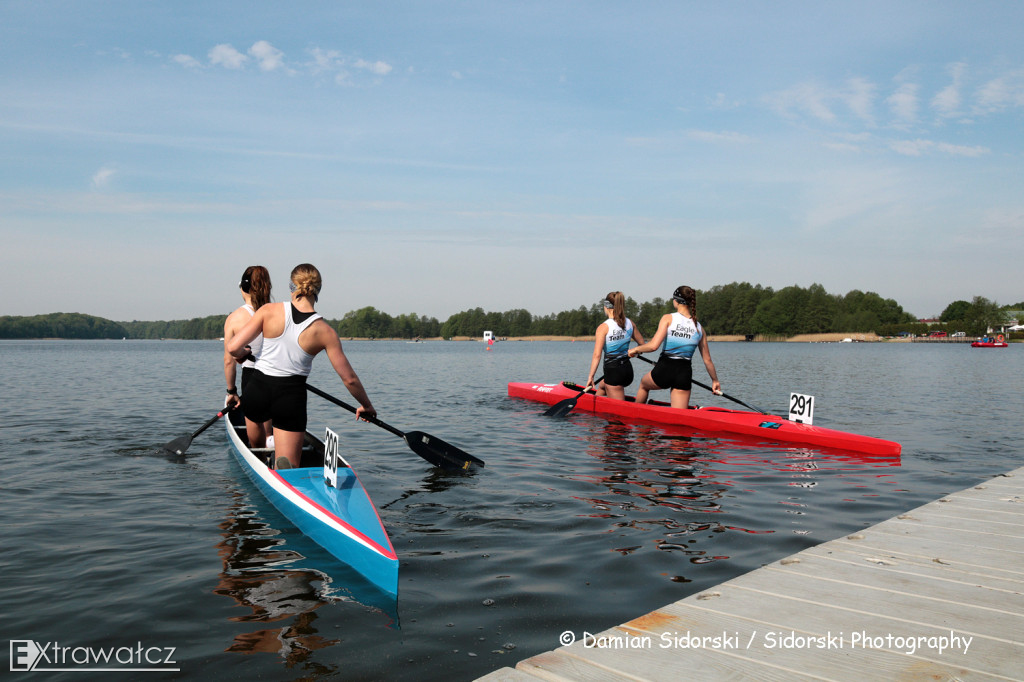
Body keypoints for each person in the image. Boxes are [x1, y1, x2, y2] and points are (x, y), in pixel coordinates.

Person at [227, 263, 376, 470]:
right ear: (318, 290)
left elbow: (233, 347)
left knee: (255, 420)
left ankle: (259, 460)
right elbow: (349, 379)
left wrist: (244, 355)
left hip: (256, 391)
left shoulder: (268, 311)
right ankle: (283, 468)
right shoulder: (325, 332)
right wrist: (366, 405)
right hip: (289, 397)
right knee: (288, 463)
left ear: (291, 286)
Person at [628, 285, 721, 409]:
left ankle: (637, 414)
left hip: (664, 369)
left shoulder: (668, 318)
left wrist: (635, 349)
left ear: (676, 301)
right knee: (679, 416)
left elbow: (653, 346)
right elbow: (707, 360)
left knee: (644, 384)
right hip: (684, 374)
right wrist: (715, 381)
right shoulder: (699, 327)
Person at [223, 265, 273, 447]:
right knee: (269, 410)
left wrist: (232, 391)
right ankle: (271, 440)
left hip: (252, 376)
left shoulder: (235, 318)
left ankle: (261, 454)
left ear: (243, 287)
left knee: (254, 417)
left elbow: (229, 361)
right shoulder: (277, 312)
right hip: (278, 376)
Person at [584, 291, 645, 400]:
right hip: (627, 371)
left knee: (618, 414)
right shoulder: (630, 323)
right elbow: (642, 345)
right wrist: (635, 352)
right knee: (602, 385)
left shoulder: (603, 327)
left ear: (606, 306)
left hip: (614, 373)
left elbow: (597, 355)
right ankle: (593, 403)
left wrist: (591, 376)